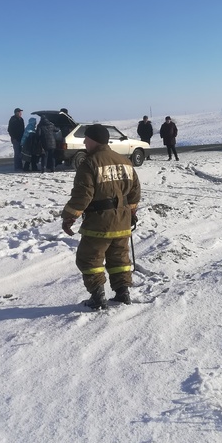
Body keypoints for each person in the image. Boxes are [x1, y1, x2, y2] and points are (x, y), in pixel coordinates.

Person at [61, 124, 141, 310]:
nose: (84, 142)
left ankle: (98, 298)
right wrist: (131, 213)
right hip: (122, 221)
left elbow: (83, 196)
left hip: (99, 224)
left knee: (89, 259)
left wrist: (69, 217)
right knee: (119, 258)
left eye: (86, 139)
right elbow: (135, 192)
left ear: (93, 140)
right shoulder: (125, 161)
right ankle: (123, 293)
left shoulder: (89, 163)